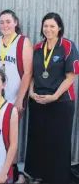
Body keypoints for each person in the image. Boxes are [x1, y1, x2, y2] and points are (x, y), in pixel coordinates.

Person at [24, 12, 79, 184]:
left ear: (59, 28)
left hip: (60, 102)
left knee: (58, 142)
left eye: (52, 26)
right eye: (45, 26)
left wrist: (54, 96)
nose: (48, 29)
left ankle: (57, 179)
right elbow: (31, 74)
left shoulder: (68, 46)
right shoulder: (38, 48)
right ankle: (38, 176)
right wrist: (31, 92)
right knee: (39, 140)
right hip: (38, 101)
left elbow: (71, 76)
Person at [0, 9, 33, 182]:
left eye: (8, 21)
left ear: (15, 22)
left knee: (11, 136)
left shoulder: (23, 42)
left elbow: (28, 73)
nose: (5, 25)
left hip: (14, 98)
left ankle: (14, 174)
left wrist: (20, 99)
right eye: (1, 22)